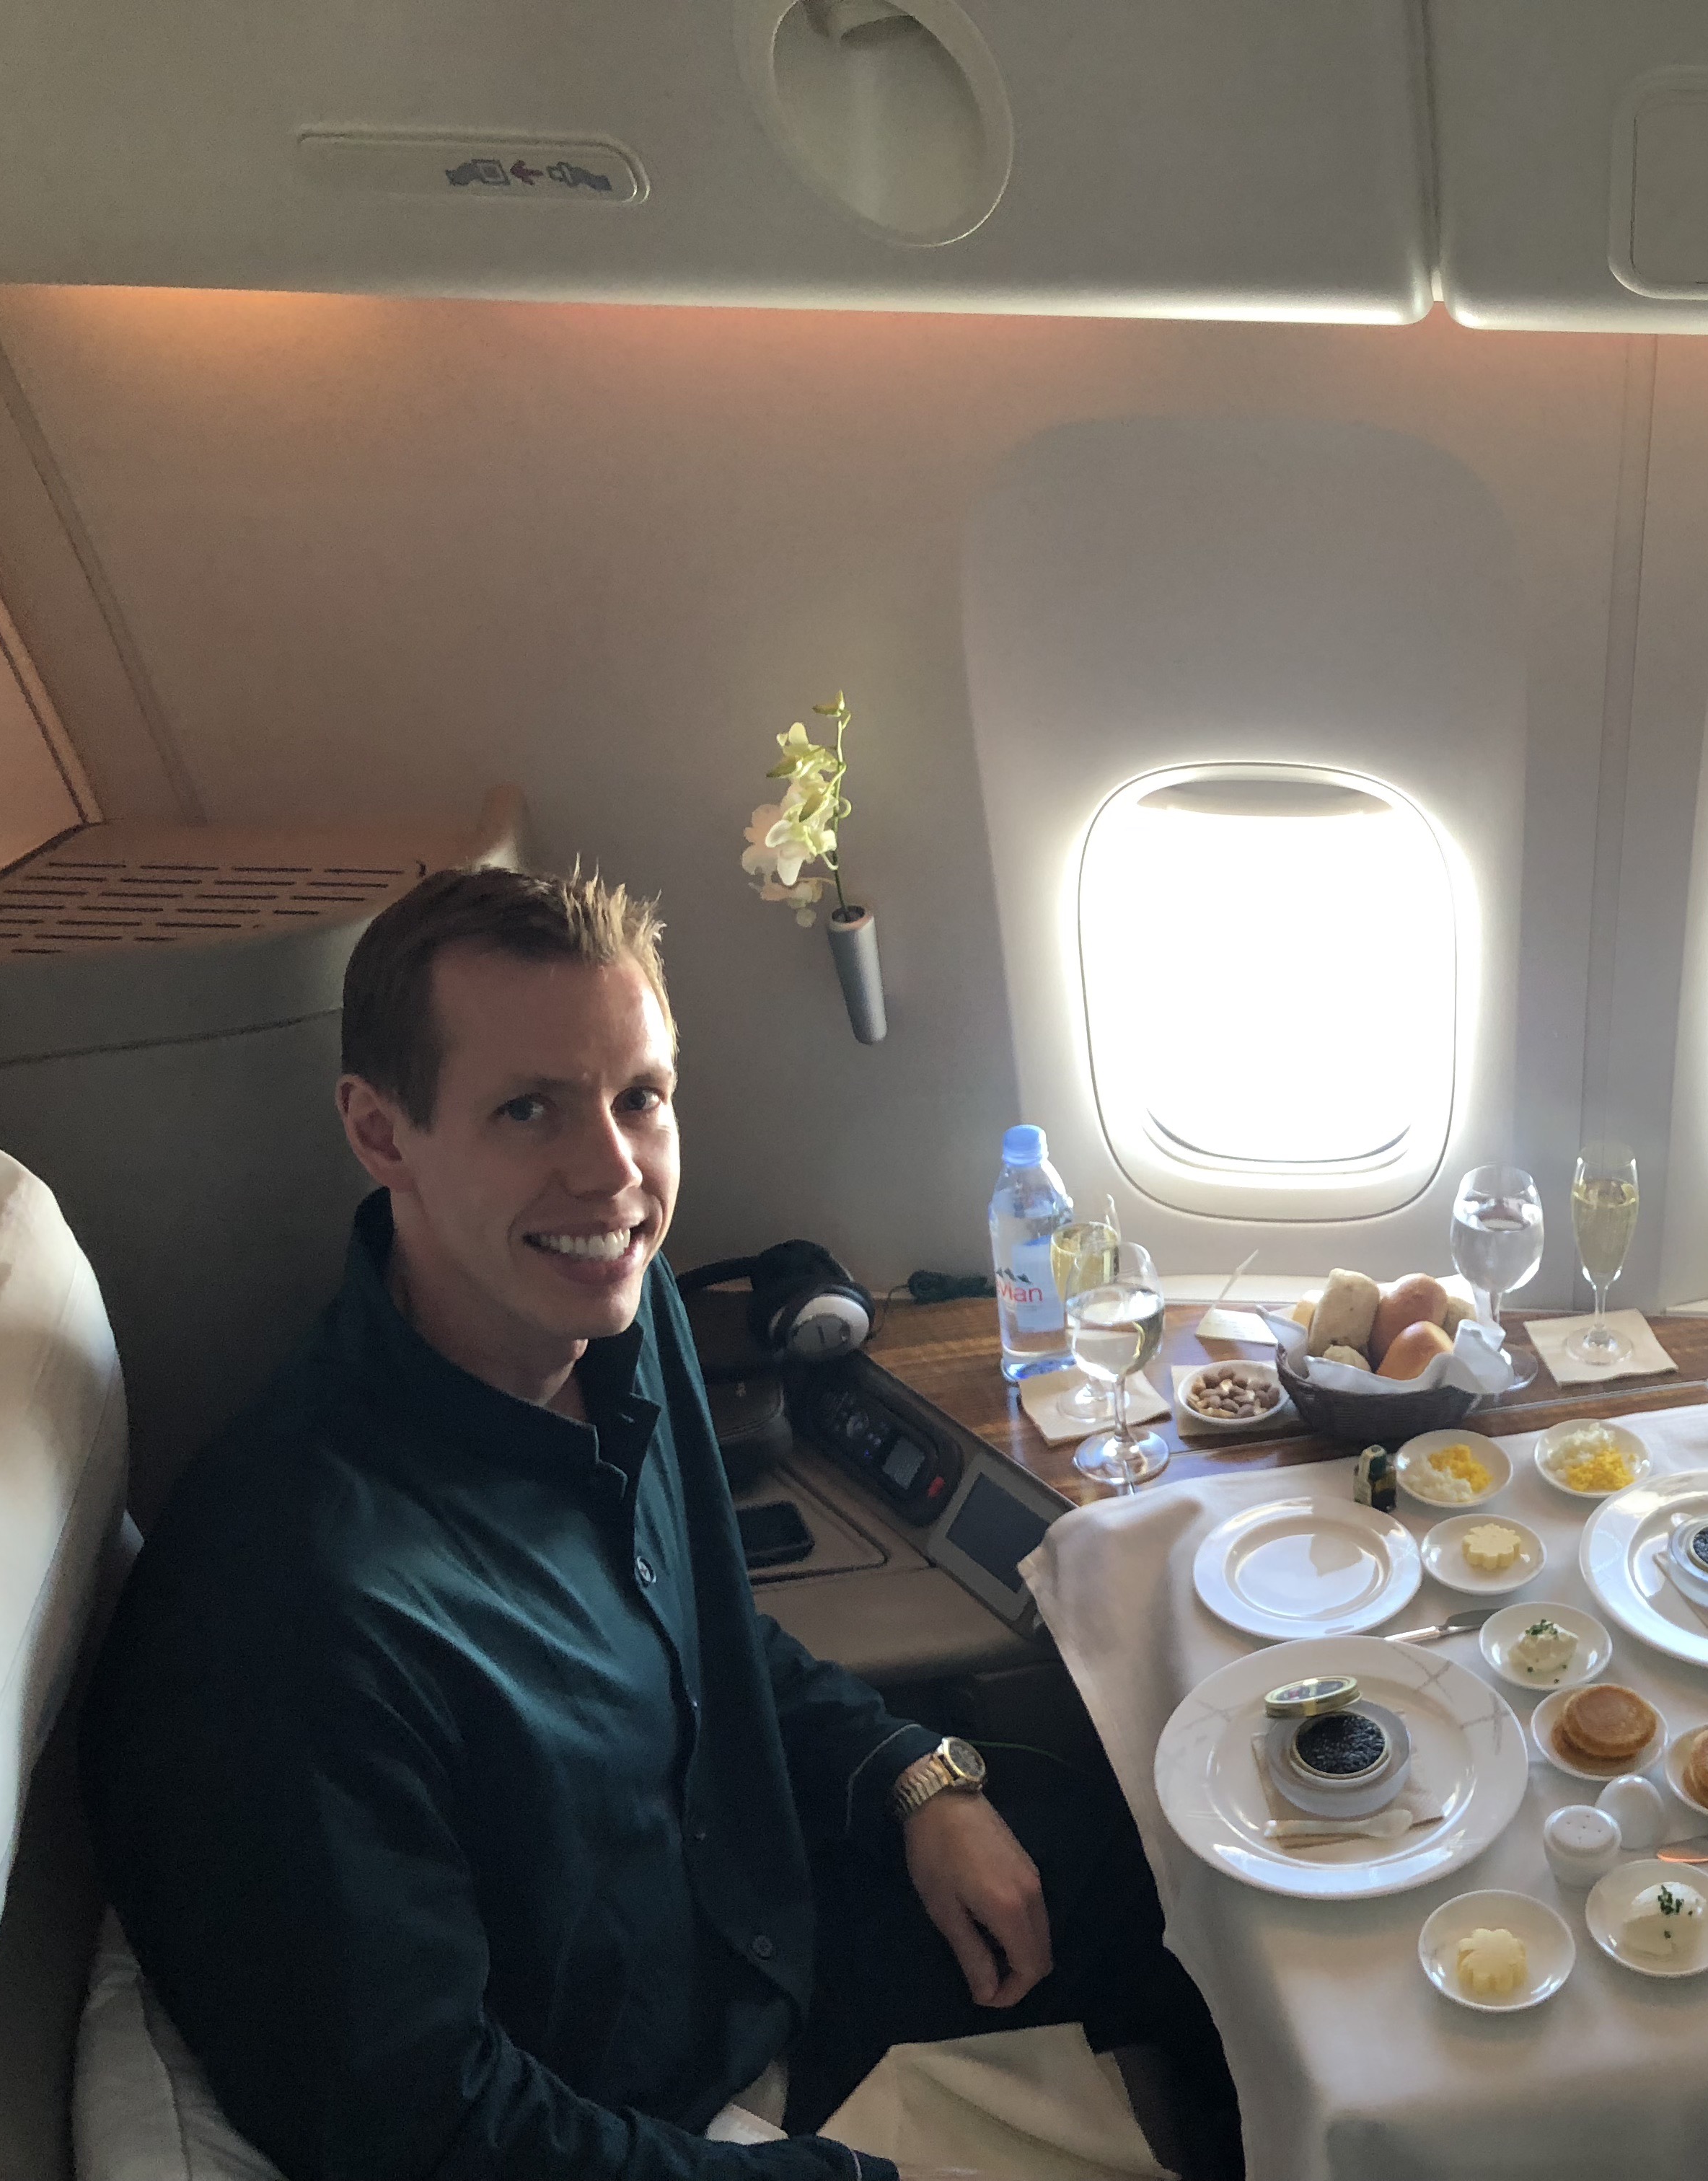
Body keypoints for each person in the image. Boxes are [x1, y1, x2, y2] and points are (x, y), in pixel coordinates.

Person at [86, 866, 1236, 2181]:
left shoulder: (626, 1331)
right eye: (529, 1110)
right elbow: (432, 2129)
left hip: (758, 1939)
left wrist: (910, 1772)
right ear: (380, 1132)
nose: (615, 1174)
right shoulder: (298, 1612)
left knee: (1198, 1868)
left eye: (640, 1097)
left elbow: (698, 1636)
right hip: (626, 2108)